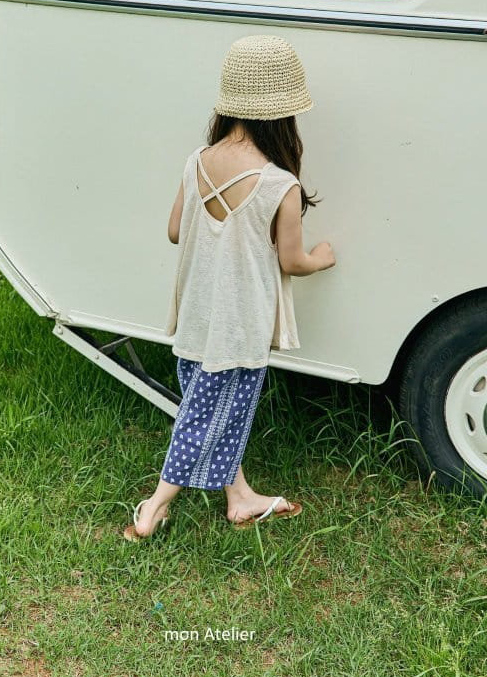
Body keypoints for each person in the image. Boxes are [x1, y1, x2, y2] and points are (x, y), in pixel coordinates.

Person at [123, 34, 336, 541]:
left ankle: (239, 498)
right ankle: (153, 508)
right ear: (283, 115)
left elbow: (176, 230)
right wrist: (322, 259)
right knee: (205, 417)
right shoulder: (278, 184)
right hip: (239, 327)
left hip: (196, 315)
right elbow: (292, 261)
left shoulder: (197, 160)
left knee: (216, 410)